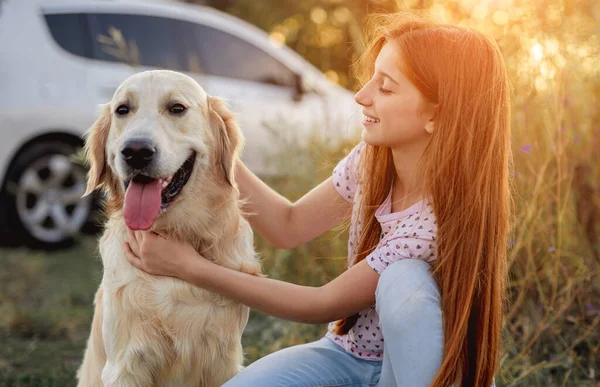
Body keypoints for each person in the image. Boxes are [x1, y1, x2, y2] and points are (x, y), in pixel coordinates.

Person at [123, 11, 511, 387]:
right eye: (370, 79)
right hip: (346, 354)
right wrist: (213, 139)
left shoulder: (432, 225)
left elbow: (322, 303)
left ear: (435, 115)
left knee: (402, 278)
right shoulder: (371, 160)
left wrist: (191, 267)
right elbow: (288, 225)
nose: (362, 96)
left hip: (418, 373)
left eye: (386, 87)